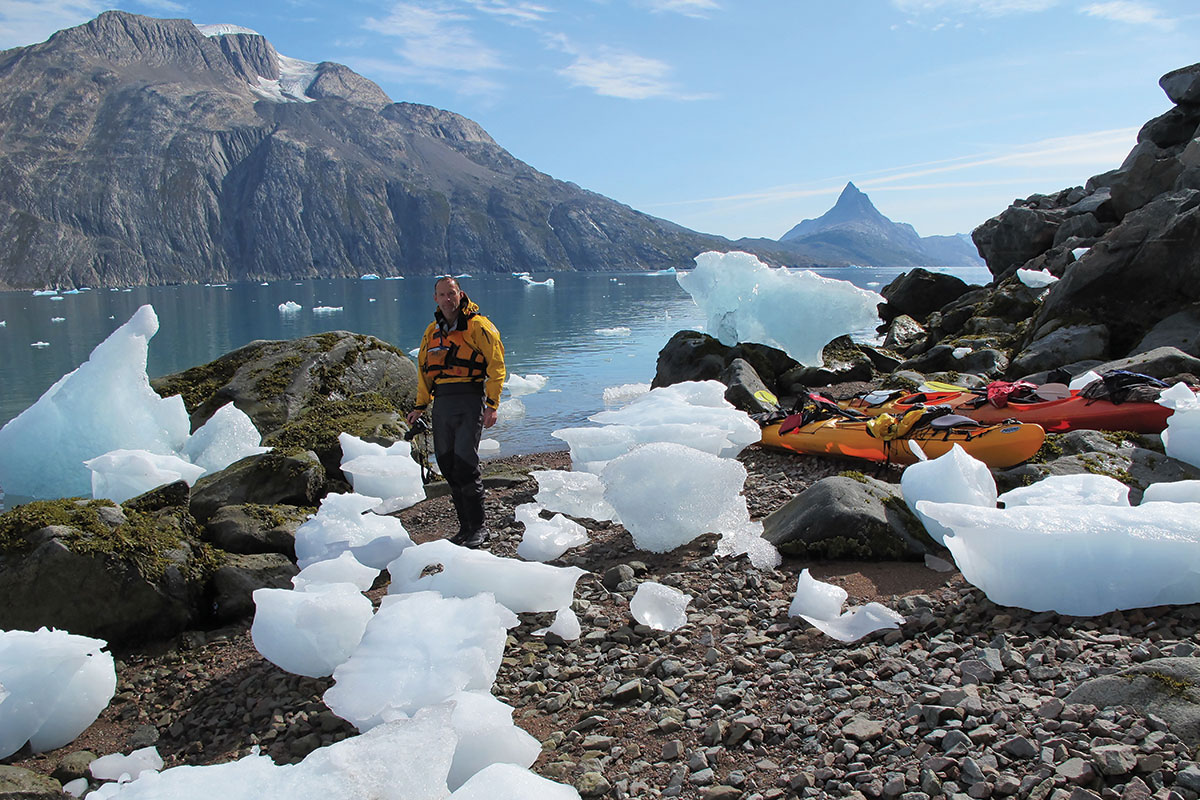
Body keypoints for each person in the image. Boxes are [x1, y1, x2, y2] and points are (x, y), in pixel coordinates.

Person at [406, 276, 506, 548]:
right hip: (443, 404)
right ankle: (465, 528)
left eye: (451, 293)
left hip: (469, 399)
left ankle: (479, 527)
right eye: (442, 294)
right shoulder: (431, 332)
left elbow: (496, 367)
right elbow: (424, 371)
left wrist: (492, 405)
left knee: (465, 462)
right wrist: (420, 405)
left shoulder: (478, 327)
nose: (447, 299)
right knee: (448, 464)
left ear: (460, 295)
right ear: (435, 298)